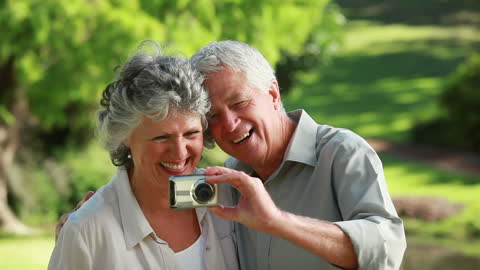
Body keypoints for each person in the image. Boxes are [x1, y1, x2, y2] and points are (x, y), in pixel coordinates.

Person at [58, 40, 407, 270]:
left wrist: (277, 222)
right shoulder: (219, 184)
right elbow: (145, 185)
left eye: (239, 103)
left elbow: (388, 250)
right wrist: (83, 231)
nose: (230, 124)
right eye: (212, 117)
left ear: (273, 93)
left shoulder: (341, 154)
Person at [49, 41, 239, 270]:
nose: (179, 152)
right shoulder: (88, 230)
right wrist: (80, 229)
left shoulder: (225, 197)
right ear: (125, 137)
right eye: (161, 137)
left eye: (191, 133)